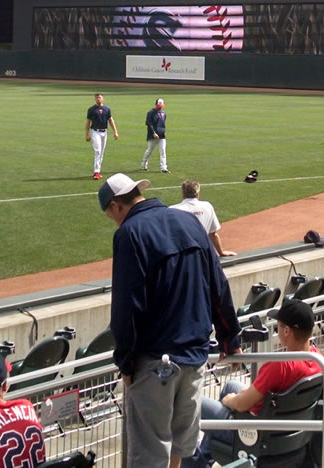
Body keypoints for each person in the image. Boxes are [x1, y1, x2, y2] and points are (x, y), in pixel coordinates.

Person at [99, 174, 239, 468]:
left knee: (150, 452)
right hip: (196, 355)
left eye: (110, 214)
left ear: (115, 206)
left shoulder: (129, 233)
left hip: (154, 362)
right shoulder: (188, 221)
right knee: (180, 445)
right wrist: (230, 337)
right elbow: (218, 285)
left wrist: (126, 360)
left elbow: (127, 305)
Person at [186, 300, 322, 468]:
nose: (277, 330)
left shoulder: (280, 365)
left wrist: (230, 401)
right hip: (281, 432)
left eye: (278, 326)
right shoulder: (317, 359)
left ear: (287, 331)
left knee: (189, 404)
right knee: (231, 385)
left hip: (254, 433)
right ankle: (205, 460)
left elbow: (243, 405)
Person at [171, 179, 235, 257]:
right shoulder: (207, 206)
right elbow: (213, 234)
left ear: (183, 193)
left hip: (183, 255)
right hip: (204, 253)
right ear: (198, 193)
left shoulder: (172, 210)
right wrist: (221, 252)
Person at [86, 94, 121, 180]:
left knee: (101, 152)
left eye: (100, 97)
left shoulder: (107, 109)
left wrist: (115, 132)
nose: (98, 99)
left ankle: (98, 171)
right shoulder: (91, 109)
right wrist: (87, 134)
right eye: (97, 97)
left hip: (104, 132)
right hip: (95, 132)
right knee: (97, 151)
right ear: (95, 99)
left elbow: (110, 120)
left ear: (103, 99)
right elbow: (88, 122)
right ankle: (96, 172)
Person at [143, 98, 169, 174]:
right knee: (149, 151)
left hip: (162, 135)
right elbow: (149, 124)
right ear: (156, 105)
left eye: (161, 105)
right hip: (152, 135)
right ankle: (144, 164)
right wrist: (154, 133)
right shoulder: (150, 113)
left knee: (163, 151)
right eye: (159, 105)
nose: (160, 107)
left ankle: (164, 168)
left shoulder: (163, 113)